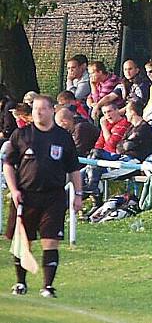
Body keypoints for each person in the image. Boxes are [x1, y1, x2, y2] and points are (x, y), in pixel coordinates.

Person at [4, 95, 83, 298]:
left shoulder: (63, 137)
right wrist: (14, 190)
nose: (38, 112)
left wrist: (78, 194)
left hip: (54, 196)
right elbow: (8, 165)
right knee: (24, 241)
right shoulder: (22, 135)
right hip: (26, 196)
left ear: (52, 110)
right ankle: (20, 283)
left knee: (50, 240)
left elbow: (73, 168)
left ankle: (48, 286)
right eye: (35, 109)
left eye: (43, 109)